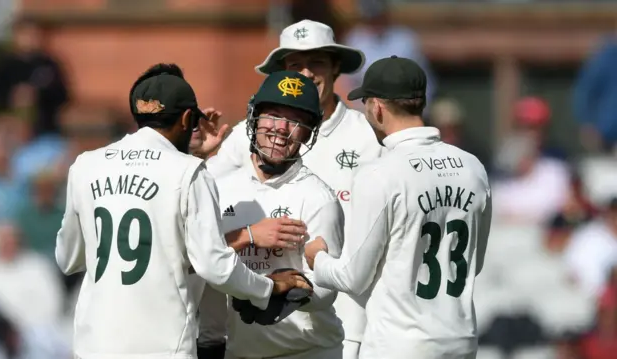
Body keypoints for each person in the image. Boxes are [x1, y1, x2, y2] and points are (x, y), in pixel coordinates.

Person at [54, 63, 312, 359]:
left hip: (93, 345)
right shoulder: (188, 172)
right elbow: (214, 266)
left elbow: (67, 258)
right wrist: (269, 287)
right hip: (162, 347)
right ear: (188, 118)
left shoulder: (86, 165)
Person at [203, 19, 384, 359]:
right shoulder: (251, 133)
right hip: (254, 331)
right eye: (294, 64)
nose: (305, 73)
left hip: (353, 323)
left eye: (315, 62)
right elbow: (199, 203)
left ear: (334, 68)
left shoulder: (368, 136)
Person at [304, 56, 492, 359]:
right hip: (461, 341)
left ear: (377, 107)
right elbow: (474, 263)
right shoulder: (473, 167)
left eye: (365, 104)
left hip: (400, 345)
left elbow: (354, 277)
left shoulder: (380, 174)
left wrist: (318, 259)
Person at [193, 71, 345, 359]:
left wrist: (280, 294)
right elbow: (195, 256)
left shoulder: (318, 198)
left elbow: (327, 292)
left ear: (308, 132)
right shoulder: (220, 186)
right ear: (255, 119)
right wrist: (250, 236)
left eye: (295, 121)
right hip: (239, 351)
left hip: (308, 350)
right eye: (273, 115)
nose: (281, 129)